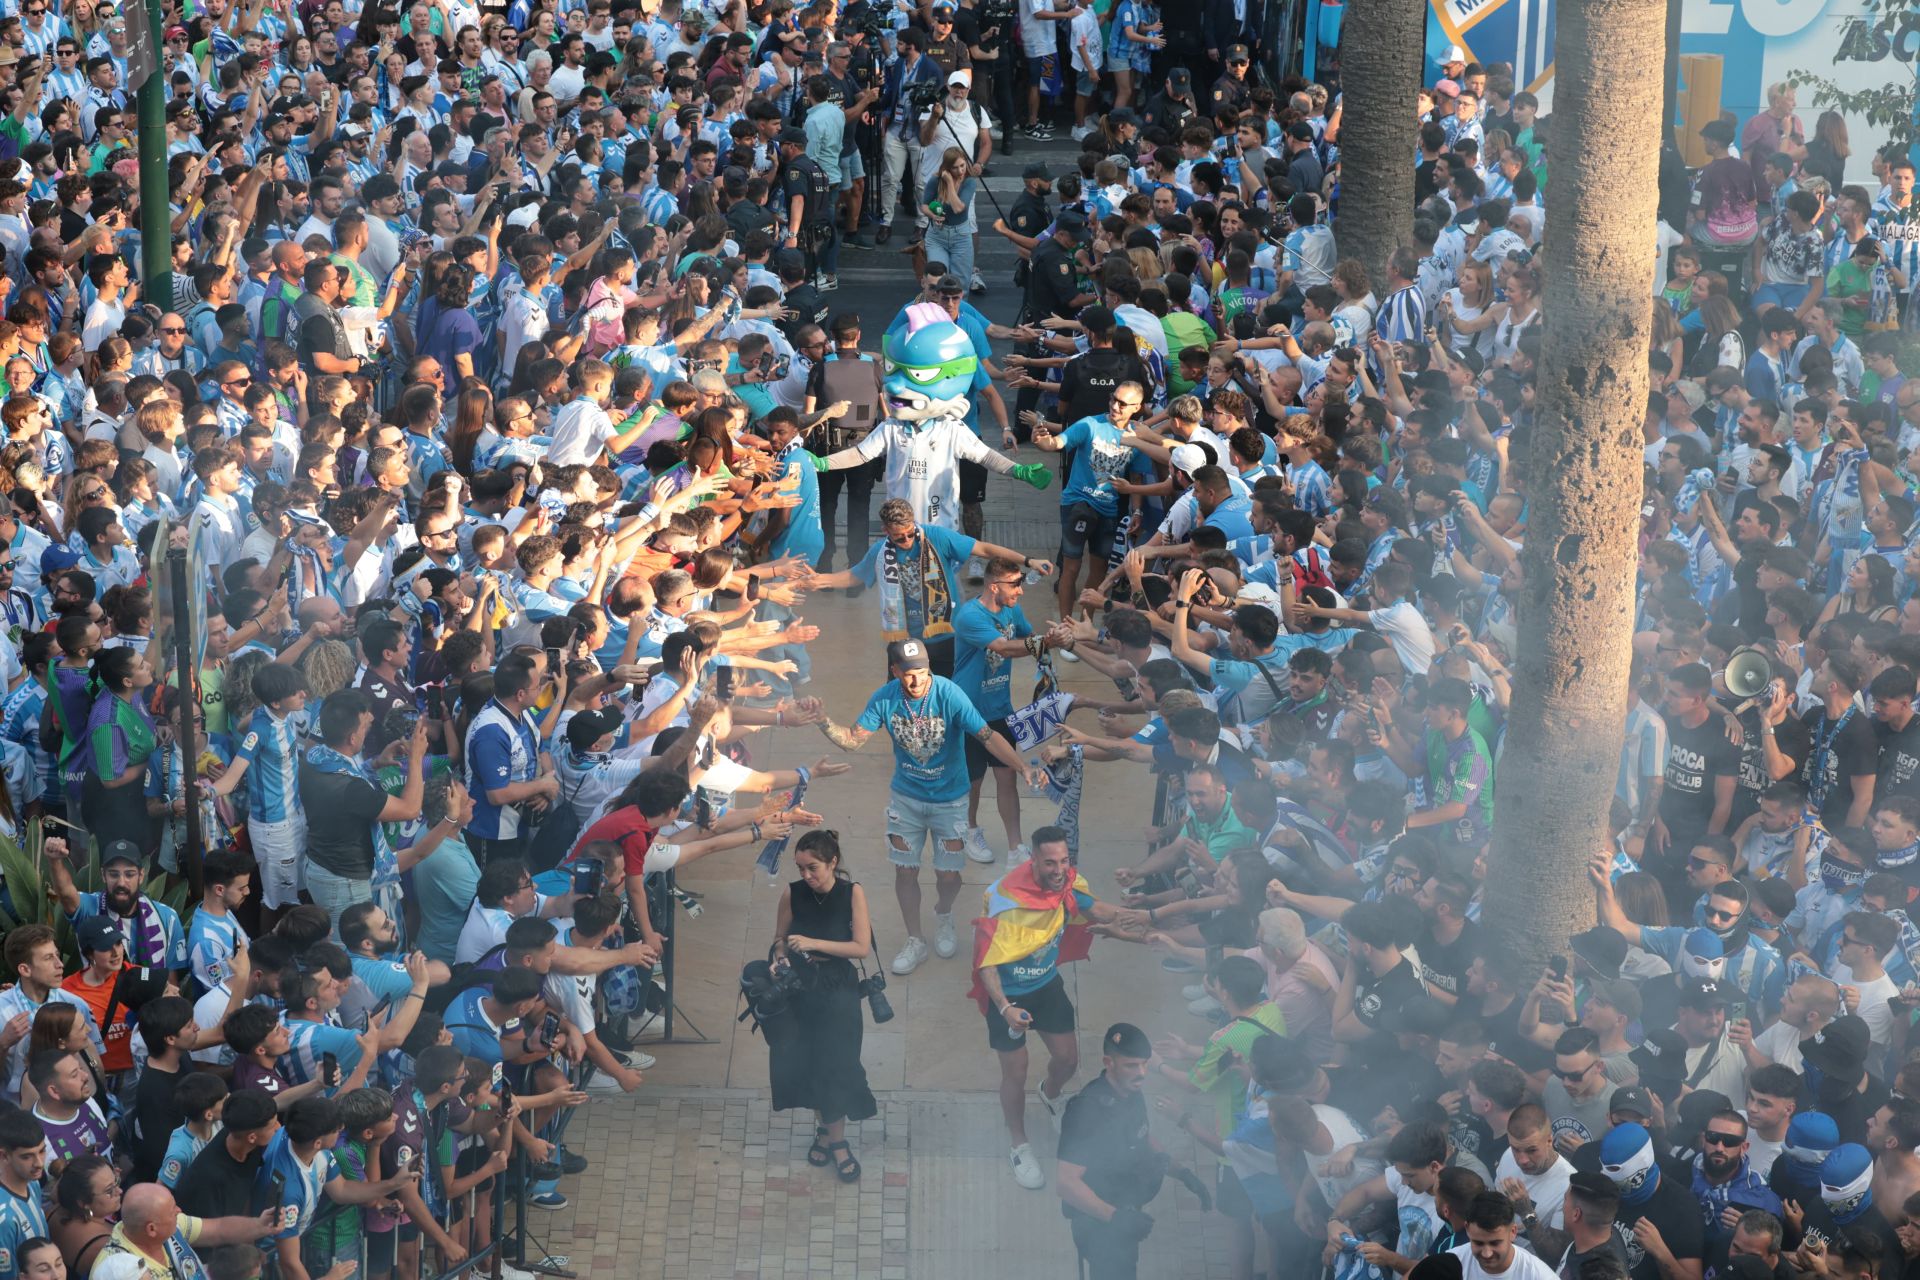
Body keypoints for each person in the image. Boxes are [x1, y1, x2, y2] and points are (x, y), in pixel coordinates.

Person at [816, 637, 1047, 972]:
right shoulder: (885, 699)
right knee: (905, 870)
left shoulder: (949, 693)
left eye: (922, 672)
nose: (916, 680)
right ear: (895, 671)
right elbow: (852, 740)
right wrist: (823, 720)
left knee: (949, 876)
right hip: (906, 801)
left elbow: (987, 736)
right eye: (908, 673)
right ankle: (915, 940)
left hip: (951, 802)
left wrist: (1021, 766)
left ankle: (944, 912)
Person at [970, 828, 1145, 1190]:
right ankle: (1019, 1144)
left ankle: (1050, 1095)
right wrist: (1004, 1008)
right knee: (1015, 1073)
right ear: (1032, 859)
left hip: (1046, 985)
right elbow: (986, 963)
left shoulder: (1067, 883)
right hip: (1009, 997)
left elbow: (1094, 908)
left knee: (1068, 1060)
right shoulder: (1008, 902)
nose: (1059, 869)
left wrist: (1147, 918)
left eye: (1064, 861)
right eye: (1050, 862)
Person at [767, 830, 878, 1183]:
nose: (806, 876)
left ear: (833, 863)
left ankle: (838, 1141)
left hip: (837, 990)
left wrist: (814, 942)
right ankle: (827, 1131)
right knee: (808, 1064)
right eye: (800, 868)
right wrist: (779, 958)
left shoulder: (851, 893)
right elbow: (779, 939)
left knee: (838, 1064)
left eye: (812, 867)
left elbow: (860, 947)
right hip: (800, 989)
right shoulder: (792, 892)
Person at [1055, 1022, 1206, 1277]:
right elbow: (1066, 1183)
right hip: (1097, 1222)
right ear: (1108, 1062)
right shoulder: (1087, 1111)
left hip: (1125, 1209)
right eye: (1131, 1065)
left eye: (1144, 1064)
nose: (1142, 1073)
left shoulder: (1130, 1092)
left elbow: (1143, 1139)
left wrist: (1183, 1174)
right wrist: (1115, 1218)